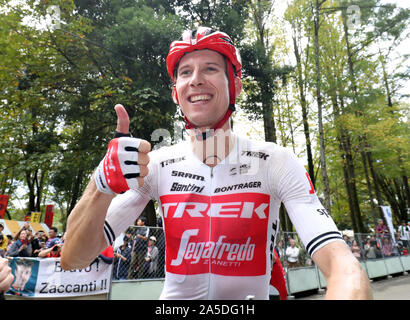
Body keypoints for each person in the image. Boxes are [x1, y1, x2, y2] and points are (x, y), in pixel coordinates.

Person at [61, 27, 372, 299]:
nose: (195, 80)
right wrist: (99, 185)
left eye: (210, 68)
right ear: (175, 94)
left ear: (234, 86)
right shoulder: (155, 166)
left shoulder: (275, 161)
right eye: (185, 72)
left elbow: (344, 268)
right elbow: (73, 258)